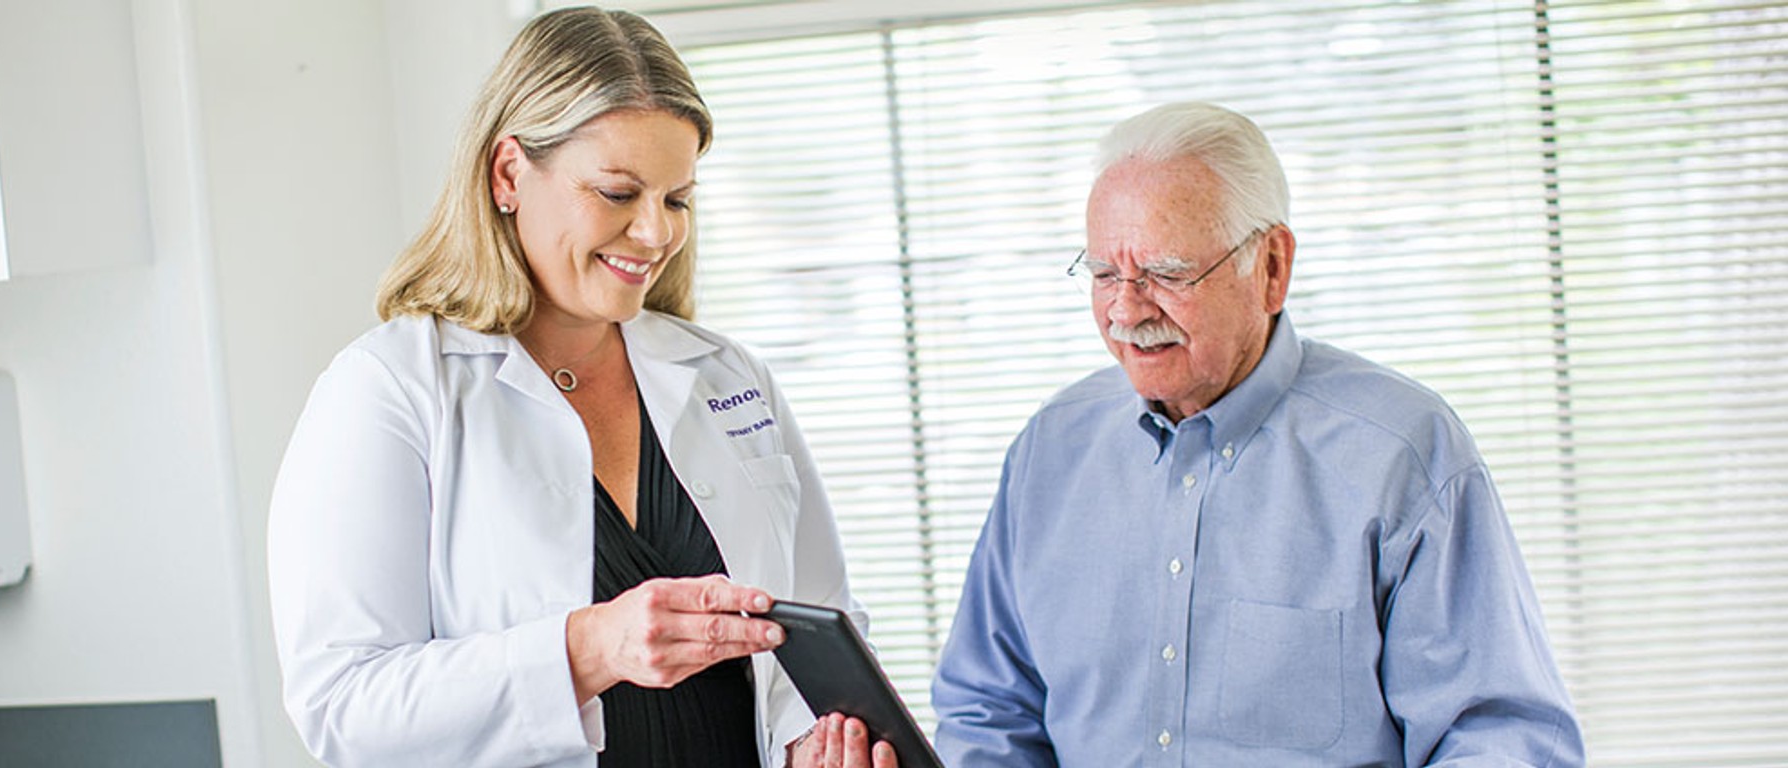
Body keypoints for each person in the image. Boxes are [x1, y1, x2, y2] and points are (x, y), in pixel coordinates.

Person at [267, 8, 895, 767]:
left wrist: (813, 745)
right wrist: (589, 648)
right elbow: (342, 705)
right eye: (618, 193)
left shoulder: (726, 374)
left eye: (676, 199)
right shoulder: (391, 391)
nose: (656, 233)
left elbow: (818, 626)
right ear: (507, 174)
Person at [930, 102, 1584, 766]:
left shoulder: (1402, 454)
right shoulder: (1050, 453)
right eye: (1104, 274)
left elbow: (1502, 738)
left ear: (1271, 266)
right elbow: (988, 713)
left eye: (1167, 273)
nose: (1126, 309)